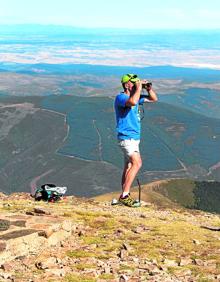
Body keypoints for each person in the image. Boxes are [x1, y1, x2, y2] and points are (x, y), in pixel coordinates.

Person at [114, 74, 158, 207]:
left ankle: (124, 194)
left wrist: (148, 89)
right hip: (127, 138)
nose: (136, 84)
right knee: (137, 163)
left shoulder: (136, 97)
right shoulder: (121, 97)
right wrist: (139, 88)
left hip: (133, 138)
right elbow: (132, 102)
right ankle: (125, 195)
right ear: (127, 85)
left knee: (128, 166)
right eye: (133, 83)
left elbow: (154, 99)